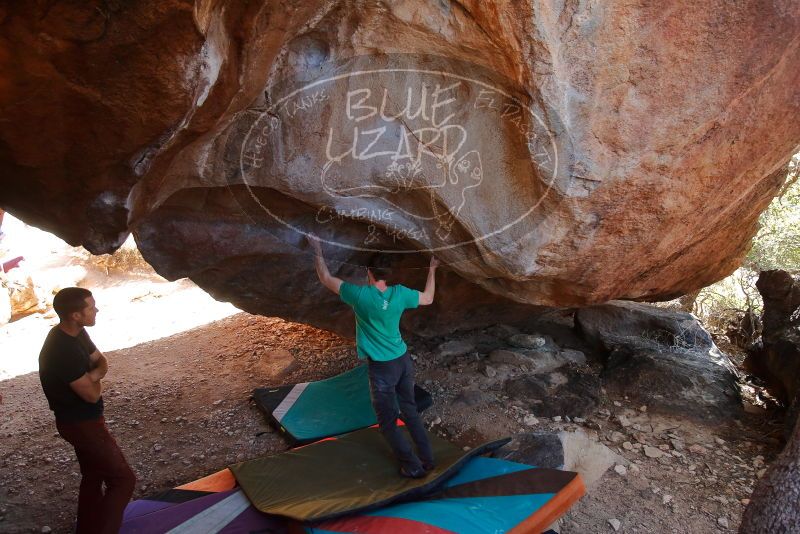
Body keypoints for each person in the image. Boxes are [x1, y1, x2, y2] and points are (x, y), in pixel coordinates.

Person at [308, 234, 439, 478]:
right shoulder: (400, 293)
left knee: (387, 422)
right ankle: (428, 460)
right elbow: (429, 298)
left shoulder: (360, 296)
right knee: (409, 410)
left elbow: (325, 278)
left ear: (369, 272)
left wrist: (317, 247)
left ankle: (412, 467)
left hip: (382, 368)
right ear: (388, 274)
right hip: (402, 360)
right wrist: (432, 269)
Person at [38, 287, 135, 533]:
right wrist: (96, 377)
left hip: (83, 421)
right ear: (75, 315)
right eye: (91, 307)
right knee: (123, 479)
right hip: (81, 425)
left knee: (92, 475)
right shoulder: (62, 350)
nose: (96, 310)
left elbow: (101, 361)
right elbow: (92, 395)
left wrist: (92, 375)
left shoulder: (76, 333)